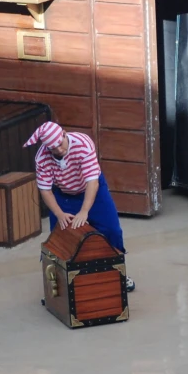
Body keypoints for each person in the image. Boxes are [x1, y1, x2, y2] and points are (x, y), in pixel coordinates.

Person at [24, 121, 135, 292]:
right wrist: (59, 213)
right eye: (53, 148)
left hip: (92, 190)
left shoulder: (83, 143)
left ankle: (118, 273)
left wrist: (84, 211)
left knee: (112, 230)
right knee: (59, 238)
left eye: (60, 144)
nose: (59, 150)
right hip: (63, 195)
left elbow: (92, 181)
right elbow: (45, 190)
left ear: (64, 133)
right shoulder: (41, 158)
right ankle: (61, 284)